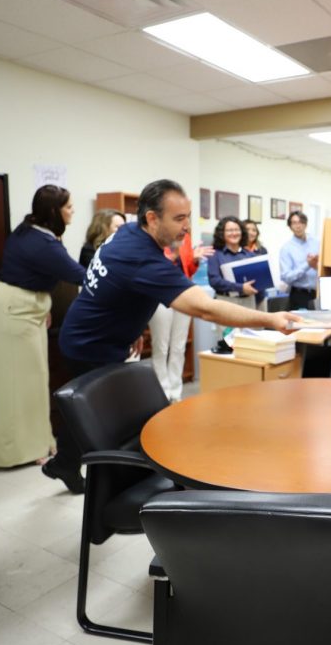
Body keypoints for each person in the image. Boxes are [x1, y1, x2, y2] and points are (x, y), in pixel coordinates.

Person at [42, 179, 297, 491]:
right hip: (89, 345)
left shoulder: (128, 233)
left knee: (92, 416)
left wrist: (133, 328)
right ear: (152, 218)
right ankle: (122, 490)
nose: (187, 227)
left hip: (96, 335)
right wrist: (270, 319)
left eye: (187, 216)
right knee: (116, 423)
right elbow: (205, 309)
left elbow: (118, 288)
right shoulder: (142, 257)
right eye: (179, 219)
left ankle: (65, 464)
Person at [0, 185, 86, 469]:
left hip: (27, 309)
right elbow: (78, 274)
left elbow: (34, 272)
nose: (72, 211)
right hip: (13, 311)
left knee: (35, 380)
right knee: (16, 385)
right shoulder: (42, 243)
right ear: (54, 211)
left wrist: (44, 307)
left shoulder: (31, 231)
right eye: (68, 206)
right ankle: (18, 451)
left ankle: (40, 441)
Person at [148, 232, 212, 401]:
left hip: (183, 293)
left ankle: (176, 393)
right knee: (161, 347)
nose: (183, 223)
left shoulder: (185, 237)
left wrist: (194, 260)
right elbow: (151, 267)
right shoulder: (153, 235)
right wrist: (173, 256)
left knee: (179, 346)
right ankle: (163, 393)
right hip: (160, 294)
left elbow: (188, 269)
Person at [208, 215, 266, 309]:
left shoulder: (250, 255)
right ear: (222, 233)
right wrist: (241, 287)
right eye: (229, 230)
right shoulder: (215, 255)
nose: (234, 233)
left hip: (249, 301)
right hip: (225, 301)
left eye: (237, 230)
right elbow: (214, 281)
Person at [279, 210, 319, 309]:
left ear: (305, 224)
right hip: (299, 295)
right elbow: (286, 277)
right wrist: (307, 265)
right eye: (294, 223)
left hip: (318, 293)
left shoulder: (317, 243)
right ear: (290, 226)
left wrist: (316, 265)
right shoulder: (286, 248)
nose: (298, 226)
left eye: (301, 222)